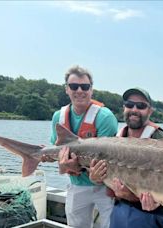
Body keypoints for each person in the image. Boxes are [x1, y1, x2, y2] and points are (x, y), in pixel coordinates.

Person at [89, 87, 163, 228]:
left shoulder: (158, 138)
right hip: (119, 208)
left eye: (141, 106)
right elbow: (106, 176)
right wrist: (95, 178)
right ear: (124, 108)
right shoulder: (118, 136)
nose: (134, 109)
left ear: (150, 111)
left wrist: (132, 196)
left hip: (147, 214)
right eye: (129, 105)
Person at [49, 65, 118, 228]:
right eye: (74, 86)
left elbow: (109, 159)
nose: (79, 90)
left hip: (105, 187)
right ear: (66, 89)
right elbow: (58, 152)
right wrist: (62, 164)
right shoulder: (58, 117)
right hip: (76, 185)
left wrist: (76, 166)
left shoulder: (105, 117)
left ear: (91, 90)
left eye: (85, 86)